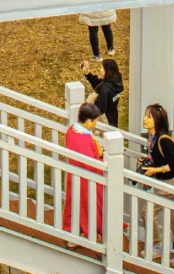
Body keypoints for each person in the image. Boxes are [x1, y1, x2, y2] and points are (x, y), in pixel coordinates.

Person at [62, 102, 104, 241]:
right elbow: (90, 163)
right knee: (87, 207)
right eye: (95, 121)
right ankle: (90, 231)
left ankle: (74, 234)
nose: (96, 124)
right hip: (86, 179)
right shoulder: (83, 139)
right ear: (88, 121)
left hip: (76, 176)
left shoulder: (72, 131)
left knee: (74, 206)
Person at [138, 103, 174, 182]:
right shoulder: (152, 138)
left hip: (171, 182)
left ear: (157, 120)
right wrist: (147, 159)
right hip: (161, 180)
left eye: (149, 117)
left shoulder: (164, 140)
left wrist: (154, 170)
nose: (144, 119)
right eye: (145, 116)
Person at [80, 56, 123, 127]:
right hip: (113, 116)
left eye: (101, 68)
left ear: (107, 71)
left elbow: (100, 108)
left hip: (105, 122)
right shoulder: (116, 81)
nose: (100, 70)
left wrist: (88, 106)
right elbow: (99, 83)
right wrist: (88, 73)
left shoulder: (105, 89)